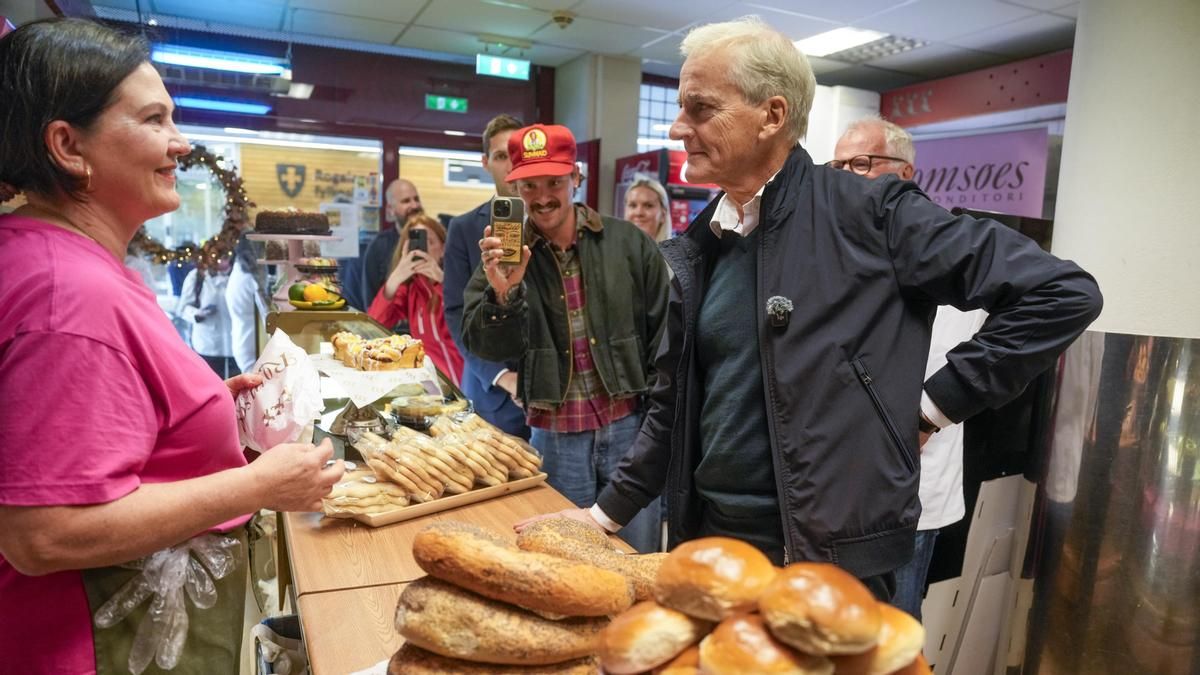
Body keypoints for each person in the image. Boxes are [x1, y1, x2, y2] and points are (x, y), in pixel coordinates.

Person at [517, 16, 1102, 600]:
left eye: (700, 109)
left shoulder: (873, 213)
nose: (678, 129)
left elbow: (1061, 294)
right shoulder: (703, 246)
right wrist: (602, 518)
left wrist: (931, 407)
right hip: (715, 548)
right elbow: (673, 409)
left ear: (772, 115)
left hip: (831, 565)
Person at [0, 19, 344, 673]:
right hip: (90, 647)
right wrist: (254, 485)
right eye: (155, 120)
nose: (180, 143)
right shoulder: (65, 293)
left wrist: (203, 409)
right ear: (68, 146)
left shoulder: (62, 261)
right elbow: (42, 531)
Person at [464, 124, 671, 554]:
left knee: (638, 560)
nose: (542, 197)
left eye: (554, 182)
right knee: (563, 564)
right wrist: (503, 292)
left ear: (576, 177)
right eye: (529, 186)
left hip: (628, 430)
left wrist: (658, 422)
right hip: (555, 439)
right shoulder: (505, 254)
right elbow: (484, 347)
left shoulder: (628, 244)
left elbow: (665, 338)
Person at [831, 115, 988, 619]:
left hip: (909, 499)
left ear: (905, 175)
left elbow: (942, 368)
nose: (845, 178)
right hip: (839, 496)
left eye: (860, 164)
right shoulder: (843, 250)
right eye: (836, 167)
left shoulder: (940, 250)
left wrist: (921, 418)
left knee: (892, 632)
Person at [443, 114, 531, 439]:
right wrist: (502, 376)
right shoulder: (464, 229)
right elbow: (455, 313)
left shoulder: (555, 223)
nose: (511, 165)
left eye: (517, 154)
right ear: (486, 162)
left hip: (558, 395)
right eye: (500, 156)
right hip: (492, 393)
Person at [367, 213, 464, 385]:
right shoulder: (410, 291)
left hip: (466, 380)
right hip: (431, 384)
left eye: (430, 242)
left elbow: (470, 314)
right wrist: (396, 277)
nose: (421, 249)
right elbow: (374, 325)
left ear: (443, 248)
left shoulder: (459, 279)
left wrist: (442, 280)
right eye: (415, 243)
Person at [178, 241, 239, 378]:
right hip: (207, 344)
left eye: (225, 258)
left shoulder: (237, 277)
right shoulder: (197, 277)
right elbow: (183, 308)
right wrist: (197, 314)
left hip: (235, 346)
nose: (222, 262)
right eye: (218, 258)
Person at [361, 178, 424, 304]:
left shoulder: (435, 241)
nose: (415, 205)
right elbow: (371, 303)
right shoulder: (378, 247)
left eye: (416, 199)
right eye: (406, 201)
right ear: (390, 209)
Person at [226, 234, 270, 373]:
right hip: (251, 342)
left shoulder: (239, 270)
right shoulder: (250, 279)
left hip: (243, 340)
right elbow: (267, 315)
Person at [624, 175, 671, 242]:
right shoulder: (610, 250)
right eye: (633, 205)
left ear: (663, 215)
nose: (639, 213)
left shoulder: (674, 252)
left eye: (648, 206)